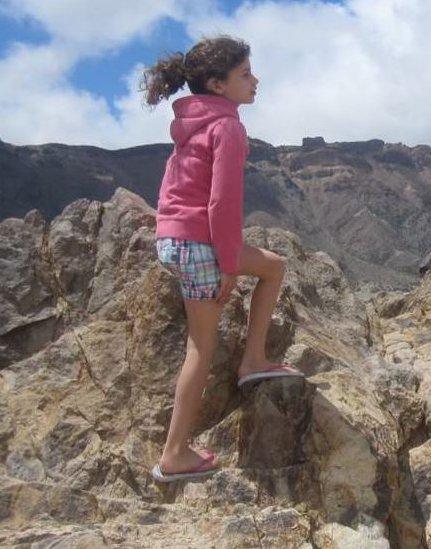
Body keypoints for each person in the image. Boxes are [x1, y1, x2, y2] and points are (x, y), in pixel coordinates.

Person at [142, 36, 302, 482]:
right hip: (200, 245)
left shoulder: (192, 121)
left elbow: (178, 187)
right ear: (217, 83)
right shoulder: (227, 127)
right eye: (245, 74)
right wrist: (229, 262)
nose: (255, 81)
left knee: (270, 266)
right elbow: (221, 204)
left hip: (172, 241)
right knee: (203, 346)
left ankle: (253, 360)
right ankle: (174, 453)